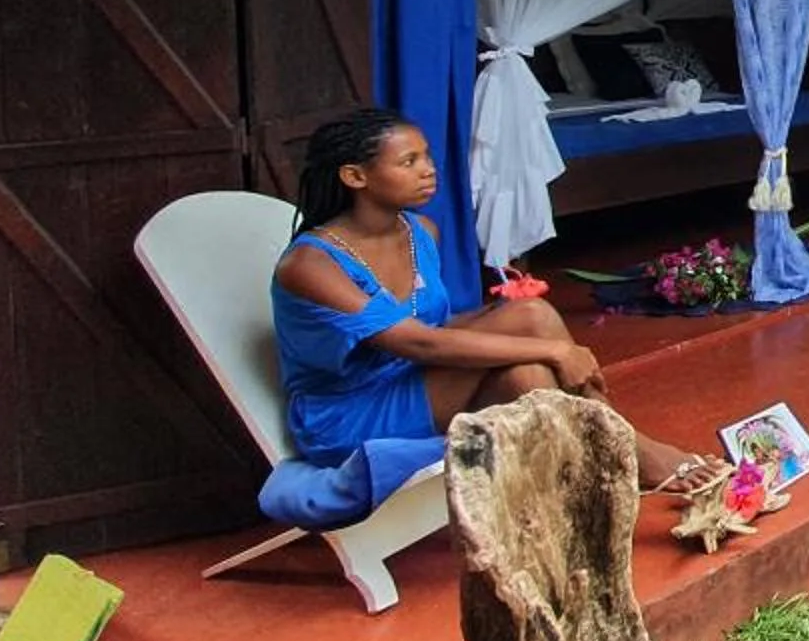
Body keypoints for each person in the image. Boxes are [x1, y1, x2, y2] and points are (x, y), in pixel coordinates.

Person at [273, 107, 726, 497]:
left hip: (414, 378)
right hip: (350, 411)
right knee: (535, 336)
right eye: (408, 161)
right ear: (355, 176)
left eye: (427, 156)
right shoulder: (312, 265)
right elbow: (418, 343)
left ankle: (606, 467)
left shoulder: (420, 232)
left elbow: (434, 325)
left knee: (526, 359)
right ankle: (633, 453)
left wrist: (501, 317)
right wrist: (555, 348)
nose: (428, 169)